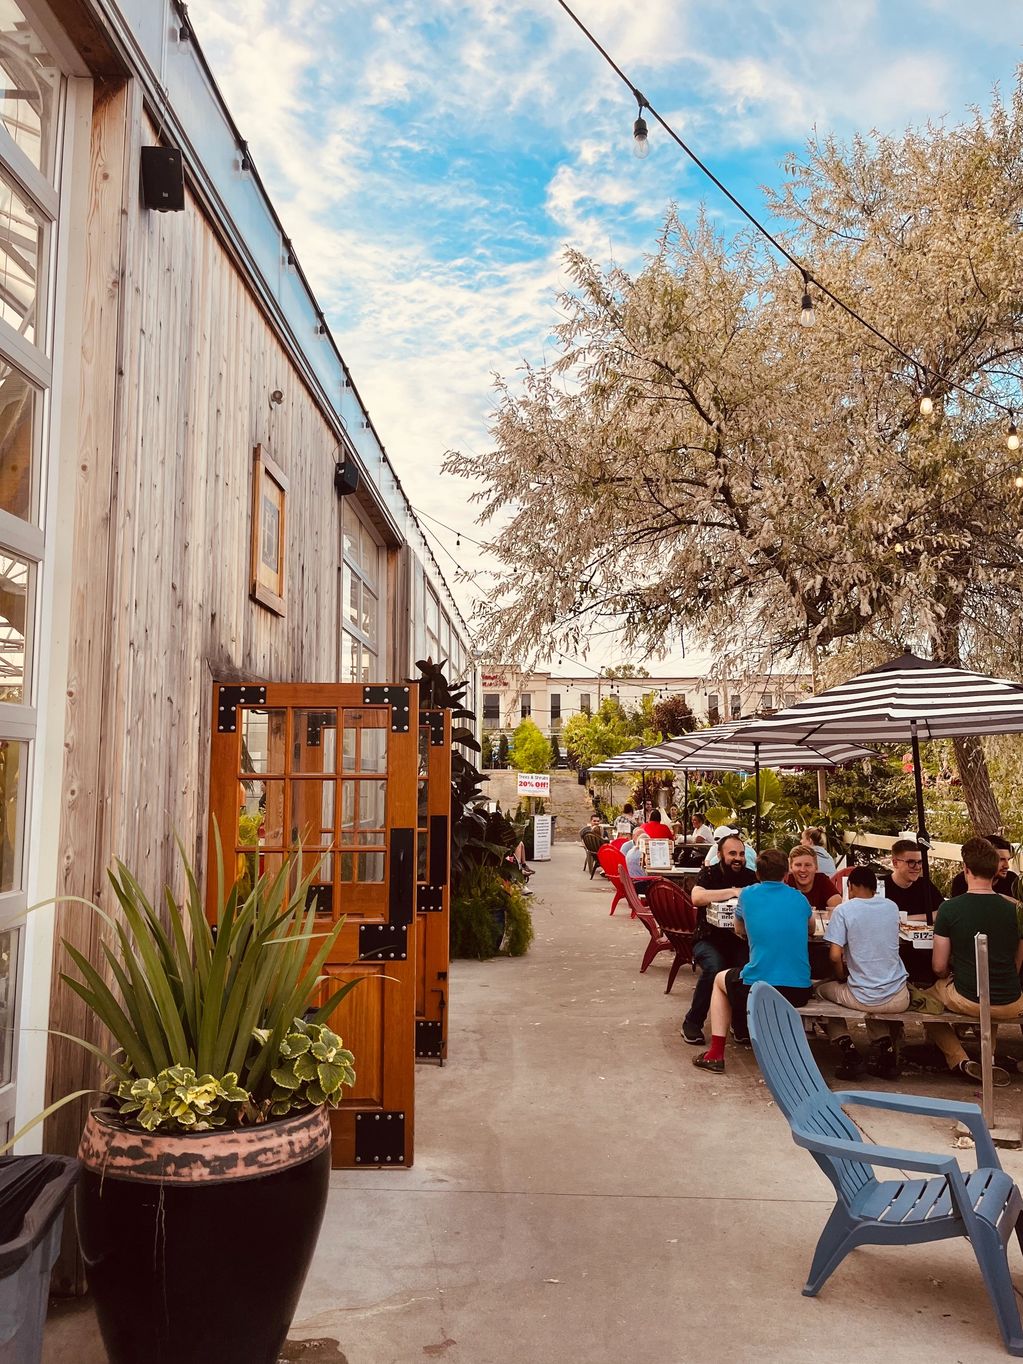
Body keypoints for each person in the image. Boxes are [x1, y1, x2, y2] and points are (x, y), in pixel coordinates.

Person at [692, 848, 813, 1074]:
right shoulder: (800, 898)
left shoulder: (747, 895)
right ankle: (742, 1030)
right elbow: (811, 928)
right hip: (799, 990)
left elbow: (739, 929)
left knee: (719, 980)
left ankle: (715, 1053)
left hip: (759, 988)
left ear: (757, 874)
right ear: (786, 874)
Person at [922, 836, 1023, 1085]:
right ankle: (989, 1058)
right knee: (989, 992)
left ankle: (959, 1058)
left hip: (970, 998)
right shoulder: (1016, 910)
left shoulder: (950, 909)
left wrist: (948, 975)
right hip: (1013, 1000)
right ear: (995, 871)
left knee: (924, 1002)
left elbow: (938, 966)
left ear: (966, 869)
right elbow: (1017, 961)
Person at [815, 866, 909, 1080]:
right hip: (899, 996)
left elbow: (834, 956)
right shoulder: (891, 907)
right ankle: (885, 1049)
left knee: (820, 993)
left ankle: (848, 1049)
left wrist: (841, 977)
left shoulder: (844, 910)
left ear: (850, 887)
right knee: (871, 986)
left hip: (864, 996)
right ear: (875, 888)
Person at [680, 834, 757, 1046]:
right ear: (721, 855)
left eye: (741, 854)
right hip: (708, 939)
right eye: (732, 853)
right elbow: (697, 897)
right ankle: (692, 1022)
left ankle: (740, 1022)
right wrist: (732, 892)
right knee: (715, 967)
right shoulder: (709, 873)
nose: (738, 858)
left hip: (740, 940)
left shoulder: (751, 877)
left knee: (747, 967)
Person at [882, 839, 942, 923]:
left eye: (920, 862)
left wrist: (905, 918)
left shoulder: (925, 884)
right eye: (911, 862)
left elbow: (942, 912)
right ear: (895, 863)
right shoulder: (880, 886)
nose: (917, 867)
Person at [950, 833, 1019, 900]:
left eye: (1008, 860)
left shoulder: (1012, 880)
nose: (1007, 866)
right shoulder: (961, 881)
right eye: (1001, 859)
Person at [785, 847, 841, 917]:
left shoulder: (822, 880)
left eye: (808, 865)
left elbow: (837, 907)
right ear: (791, 867)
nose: (803, 870)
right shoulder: (786, 882)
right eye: (798, 865)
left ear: (816, 867)